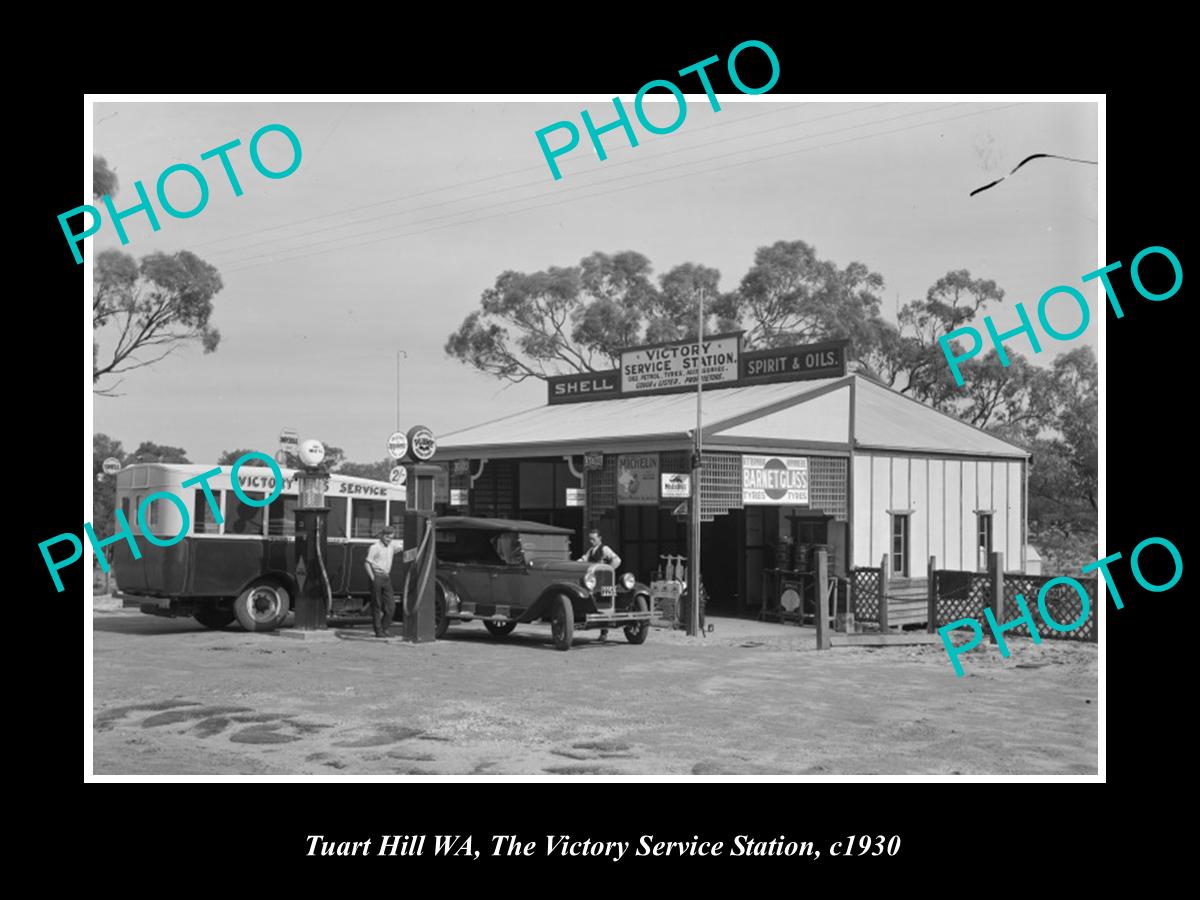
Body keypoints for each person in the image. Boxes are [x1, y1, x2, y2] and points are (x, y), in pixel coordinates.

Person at [364, 526, 398, 637]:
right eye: (387, 536)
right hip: (377, 576)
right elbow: (367, 563)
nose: (389, 539)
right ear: (382, 535)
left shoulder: (391, 547)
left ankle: (384, 628)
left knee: (391, 606)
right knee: (377, 605)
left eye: (391, 537)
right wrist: (373, 578)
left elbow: (404, 548)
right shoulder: (375, 547)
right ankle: (378, 631)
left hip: (386, 577)